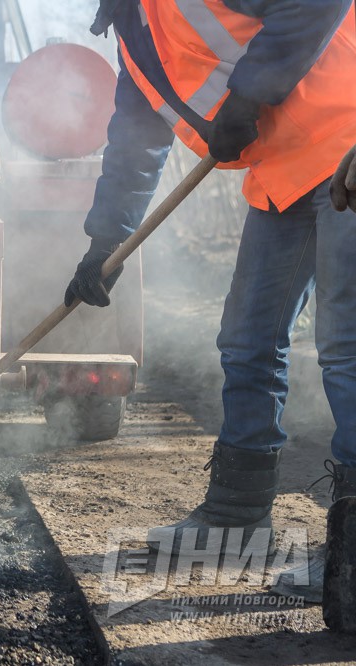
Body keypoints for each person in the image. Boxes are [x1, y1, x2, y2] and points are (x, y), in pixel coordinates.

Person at [66, 0, 356, 602]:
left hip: (349, 148)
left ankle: (352, 554)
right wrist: (104, 242)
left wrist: (249, 96)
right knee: (248, 341)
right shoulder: (137, 37)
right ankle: (237, 512)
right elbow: (134, 142)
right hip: (287, 176)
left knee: (346, 351)